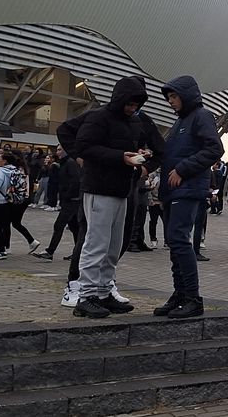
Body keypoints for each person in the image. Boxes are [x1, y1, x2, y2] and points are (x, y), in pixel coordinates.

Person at [70, 76, 162, 319]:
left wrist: (138, 158)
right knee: (96, 242)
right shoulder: (98, 117)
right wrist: (121, 157)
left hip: (121, 189)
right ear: (119, 99)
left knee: (113, 245)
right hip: (99, 188)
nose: (132, 109)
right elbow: (84, 146)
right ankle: (86, 295)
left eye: (136, 105)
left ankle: (103, 291)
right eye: (129, 104)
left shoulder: (132, 122)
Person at [150, 76, 224, 318]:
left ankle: (193, 297)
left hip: (188, 188)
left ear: (186, 95)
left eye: (174, 96)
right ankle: (180, 294)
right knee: (174, 241)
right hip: (174, 191)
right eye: (168, 97)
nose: (171, 101)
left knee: (179, 240)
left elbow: (214, 148)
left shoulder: (202, 116)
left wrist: (183, 169)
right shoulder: (181, 122)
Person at [34, 145, 82, 261]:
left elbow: (76, 180)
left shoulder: (70, 163)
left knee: (59, 225)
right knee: (74, 227)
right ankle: (78, 253)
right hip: (70, 199)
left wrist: (68, 195)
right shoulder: (65, 163)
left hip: (71, 200)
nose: (58, 152)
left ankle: (50, 251)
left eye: (60, 150)